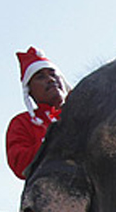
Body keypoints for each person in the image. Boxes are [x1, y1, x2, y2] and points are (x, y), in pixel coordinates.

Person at [5, 47, 69, 182]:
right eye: (40, 77)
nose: (51, 80)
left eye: (53, 74)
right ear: (30, 91)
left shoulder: (86, 113)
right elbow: (20, 165)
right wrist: (53, 138)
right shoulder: (22, 122)